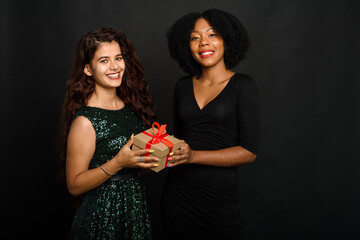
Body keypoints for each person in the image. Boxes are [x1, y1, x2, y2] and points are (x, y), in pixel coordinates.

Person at [162, 9, 260, 240]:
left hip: (218, 200)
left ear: (227, 38)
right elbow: (178, 144)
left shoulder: (243, 86)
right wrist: (155, 151)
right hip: (177, 197)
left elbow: (249, 152)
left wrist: (193, 156)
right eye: (195, 37)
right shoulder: (182, 86)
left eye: (212, 34)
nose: (203, 43)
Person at [59, 27, 158, 240]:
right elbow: (74, 185)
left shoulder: (131, 108)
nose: (114, 66)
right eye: (104, 60)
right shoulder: (85, 121)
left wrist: (161, 156)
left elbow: (135, 166)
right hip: (102, 213)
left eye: (118, 58)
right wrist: (118, 162)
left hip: (134, 209)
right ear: (88, 69)